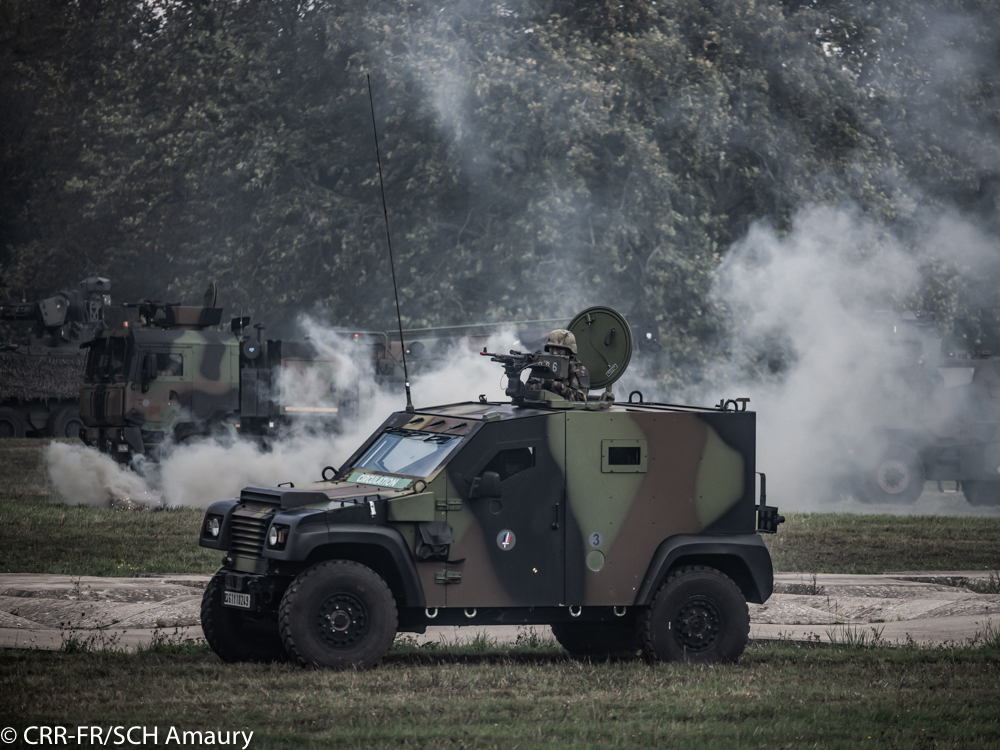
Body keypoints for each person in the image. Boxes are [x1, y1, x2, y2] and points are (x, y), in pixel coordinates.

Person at [527, 329, 590, 401]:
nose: (555, 353)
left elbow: (582, 398)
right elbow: (527, 390)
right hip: (540, 409)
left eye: (560, 350)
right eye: (552, 350)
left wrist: (556, 385)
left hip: (565, 410)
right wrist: (541, 385)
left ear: (569, 352)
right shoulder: (543, 365)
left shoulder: (577, 369)